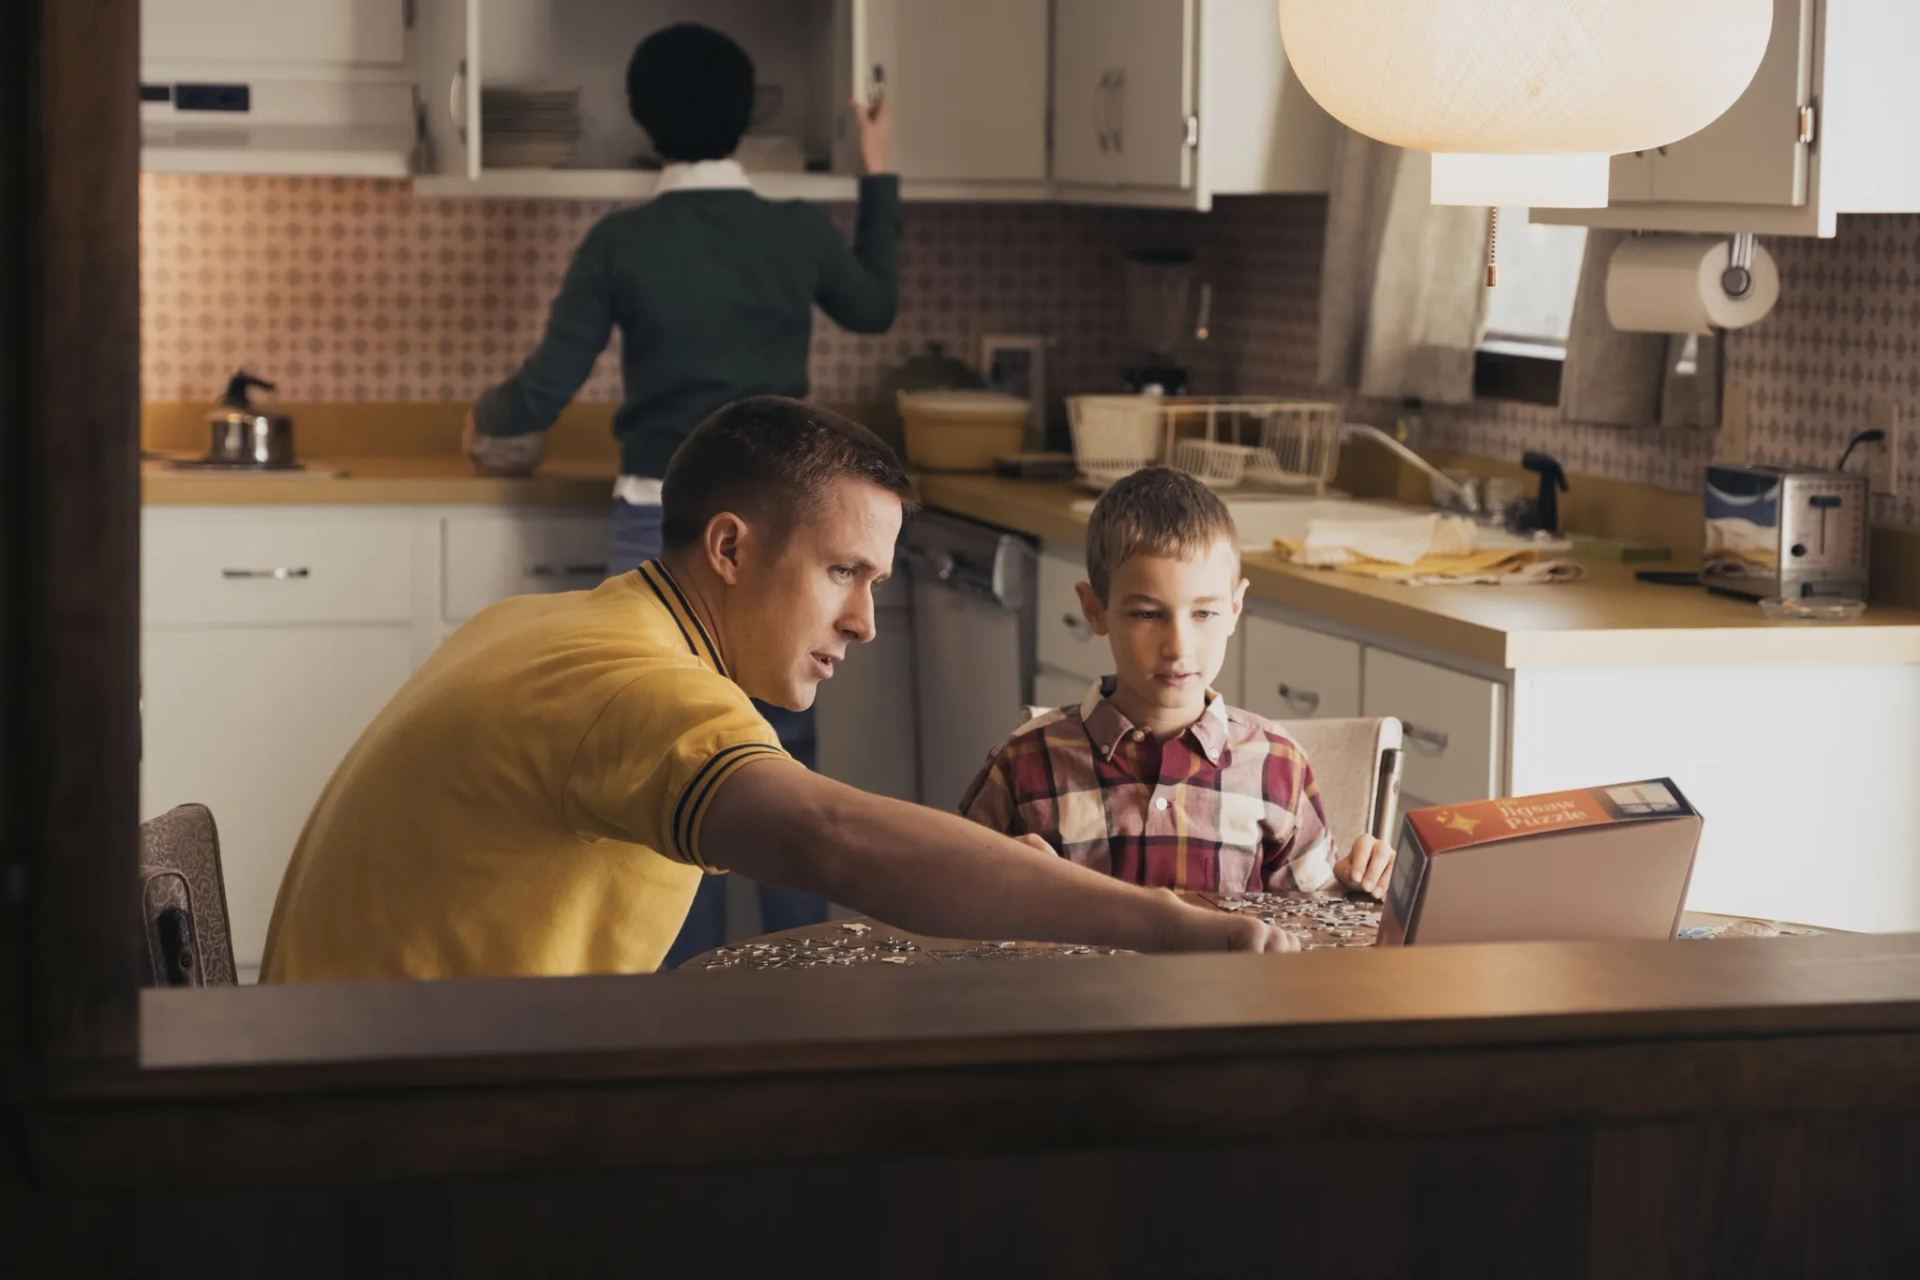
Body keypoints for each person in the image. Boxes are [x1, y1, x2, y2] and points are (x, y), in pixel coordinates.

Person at [260, 400, 1298, 983]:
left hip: (356, 1070)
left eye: (876, 584)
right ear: (728, 547)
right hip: (389, 1135)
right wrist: (1169, 925)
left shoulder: (548, 625)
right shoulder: (636, 687)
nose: (863, 621)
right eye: (844, 572)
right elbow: (831, 838)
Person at [464, 23, 901, 963]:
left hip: (657, 528)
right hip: (789, 534)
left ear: (642, 122)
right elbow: (875, 304)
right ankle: (806, 977)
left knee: (668, 779)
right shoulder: (791, 231)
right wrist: (877, 169)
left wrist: (480, 414)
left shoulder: (623, 242)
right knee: (782, 773)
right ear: (750, 118)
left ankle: (677, 989)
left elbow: (539, 392)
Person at [960, 467, 1397, 899]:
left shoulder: (1278, 765)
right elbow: (950, 905)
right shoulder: (1022, 763)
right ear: (1095, 609)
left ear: (1235, 607)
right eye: (1147, 614)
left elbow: (1312, 927)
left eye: (1204, 613)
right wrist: (989, 886)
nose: (1178, 646)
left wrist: (1355, 888)